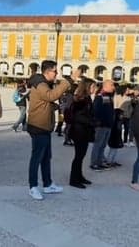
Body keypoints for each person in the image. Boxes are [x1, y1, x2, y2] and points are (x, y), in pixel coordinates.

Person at [26, 60, 70, 200]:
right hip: (39, 126)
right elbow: (50, 96)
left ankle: (48, 184)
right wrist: (67, 81)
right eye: (55, 71)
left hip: (44, 126)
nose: (56, 74)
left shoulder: (43, 83)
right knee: (37, 158)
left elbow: (44, 101)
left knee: (46, 157)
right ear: (47, 71)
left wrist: (53, 107)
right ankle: (33, 187)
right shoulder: (41, 84)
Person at [66, 78, 95, 189]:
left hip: (84, 131)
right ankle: (74, 179)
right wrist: (93, 122)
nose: (94, 89)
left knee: (81, 156)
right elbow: (78, 116)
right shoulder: (80, 100)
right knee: (78, 156)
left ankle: (79, 176)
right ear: (87, 87)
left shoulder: (86, 98)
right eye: (93, 86)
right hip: (79, 131)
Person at [91, 79, 116, 171]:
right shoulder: (101, 96)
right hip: (101, 125)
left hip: (108, 125)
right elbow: (97, 111)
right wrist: (99, 122)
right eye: (112, 85)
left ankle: (100, 162)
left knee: (103, 145)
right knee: (98, 145)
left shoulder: (108, 96)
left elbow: (109, 110)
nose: (113, 87)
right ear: (105, 86)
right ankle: (94, 163)